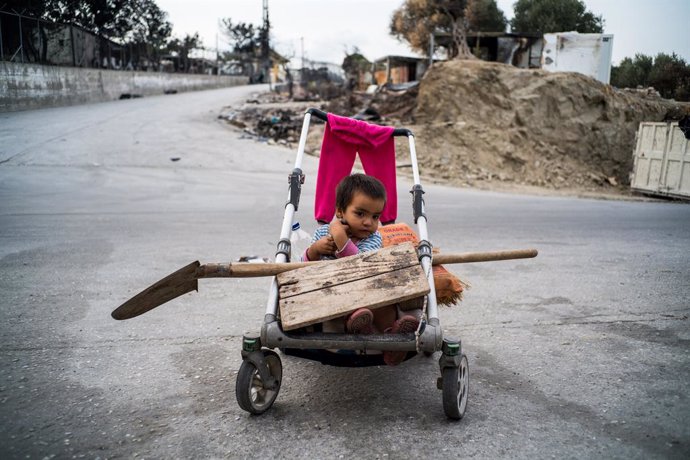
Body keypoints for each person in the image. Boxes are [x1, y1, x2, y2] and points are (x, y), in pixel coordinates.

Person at [301, 173, 419, 365]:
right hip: (334, 292)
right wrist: (314, 251)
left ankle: (392, 338)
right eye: (360, 214)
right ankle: (360, 326)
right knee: (345, 302)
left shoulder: (373, 238)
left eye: (375, 217)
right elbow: (303, 268)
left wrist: (341, 238)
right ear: (340, 212)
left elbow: (361, 264)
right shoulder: (323, 233)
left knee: (384, 301)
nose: (368, 222)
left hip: (367, 291)